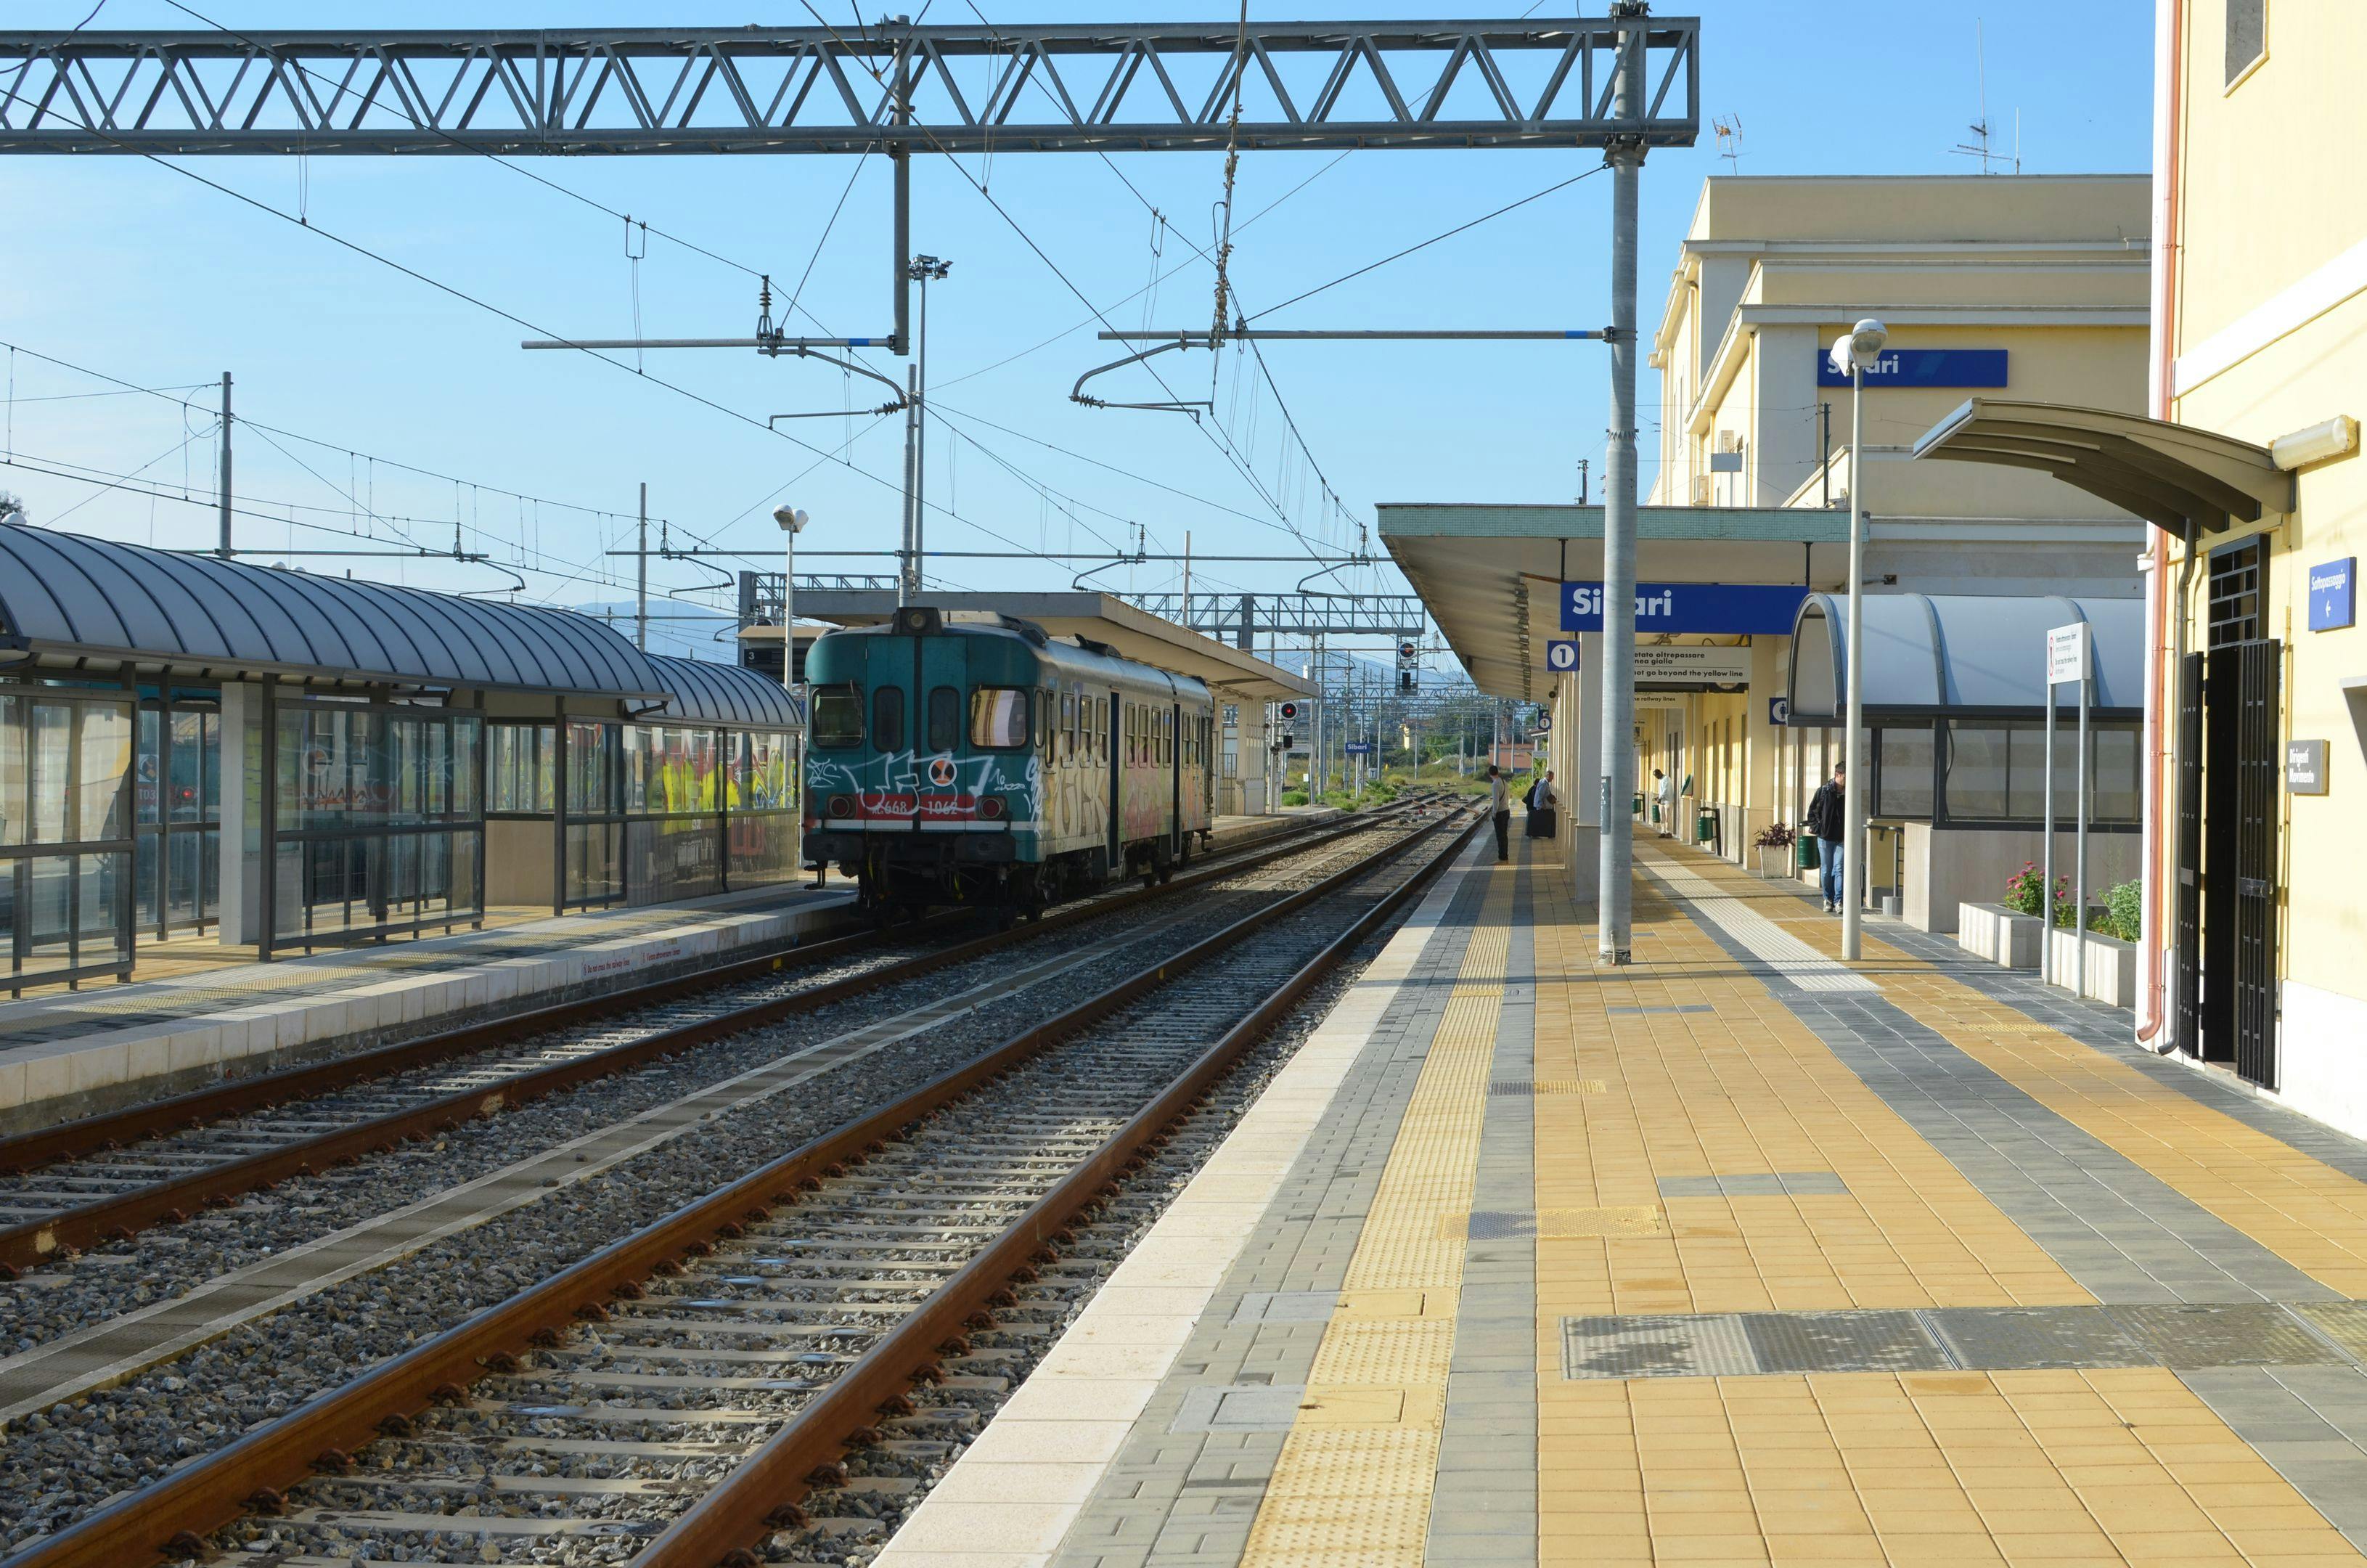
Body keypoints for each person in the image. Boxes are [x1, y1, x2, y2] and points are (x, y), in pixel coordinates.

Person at [1805, 761, 1848, 913]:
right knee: (1826, 870)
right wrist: (1819, 829)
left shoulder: (1849, 793)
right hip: (1825, 838)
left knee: (1839, 869)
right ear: (1838, 775)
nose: (1847, 780)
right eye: (1845, 776)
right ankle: (1827, 899)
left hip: (1842, 839)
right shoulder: (1823, 791)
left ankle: (1839, 901)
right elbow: (1812, 812)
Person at [1487, 764, 1510, 862]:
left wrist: (1494, 813)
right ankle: (1505, 855)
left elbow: (1495, 801)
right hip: (1506, 811)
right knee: (1504, 835)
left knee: (1500, 836)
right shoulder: (1503, 781)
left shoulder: (1495, 784)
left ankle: (1502, 857)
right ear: (1498, 772)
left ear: (1490, 774)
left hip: (1500, 813)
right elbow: (1508, 796)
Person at [1525, 770, 1558, 838]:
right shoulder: (1543, 784)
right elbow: (1540, 795)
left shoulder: (1544, 782)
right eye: (1552, 777)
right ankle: (1535, 833)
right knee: (1540, 820)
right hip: (1542, 806)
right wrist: (1541, 805)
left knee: (1541, 820)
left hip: (1543, 805)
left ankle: (1540, 833)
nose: (1553, 778)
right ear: (1548, 776)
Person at [1653, 768, 1677, 838]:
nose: (1656, 777)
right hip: (1662, 802)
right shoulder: (1661, 780)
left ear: (1660, 773)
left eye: (1656, 776)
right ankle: (1663, 831)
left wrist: (1660, 798)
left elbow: (1665, 790)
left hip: (1667, 801)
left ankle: (1669, 832)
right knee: (1662, 817)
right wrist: (1658, 797)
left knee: (1668, 818)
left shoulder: (1666, 779)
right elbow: (1662, 791)